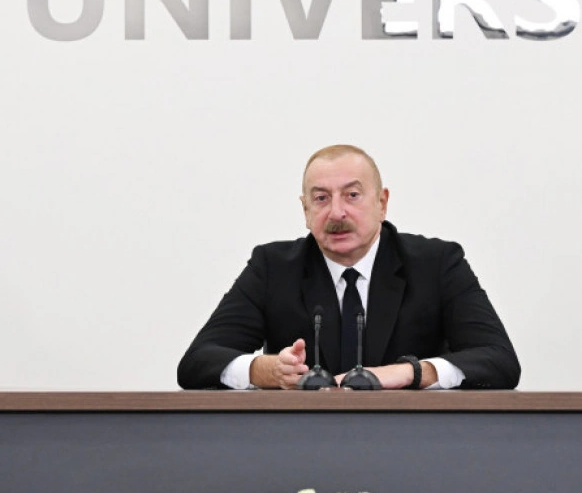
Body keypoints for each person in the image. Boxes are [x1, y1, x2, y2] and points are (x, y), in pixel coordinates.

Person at [177, 145, 520, 390]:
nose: (337, 213)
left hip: (412, 441)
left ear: (382, 202)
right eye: (321, 198)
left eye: (352, 195)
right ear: (305, 210)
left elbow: (500, 360)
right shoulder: (273, 268)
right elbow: (196, 363)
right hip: (300, 446)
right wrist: (264, 370)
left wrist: (410, 372)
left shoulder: (436, 263)